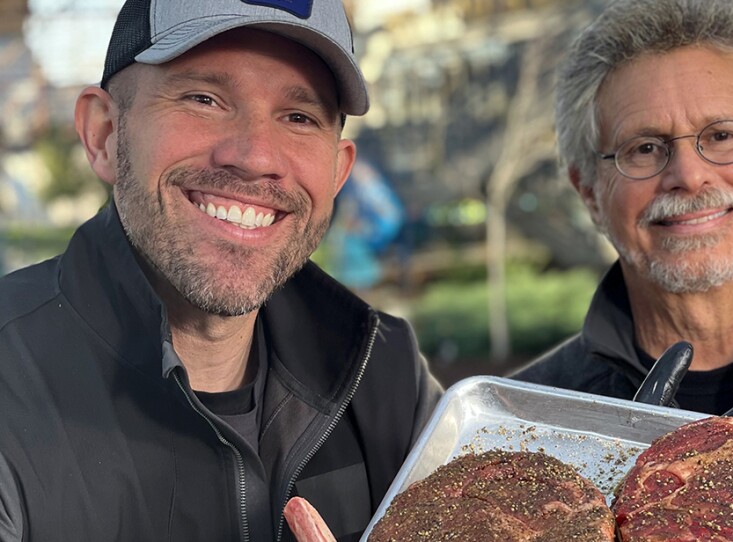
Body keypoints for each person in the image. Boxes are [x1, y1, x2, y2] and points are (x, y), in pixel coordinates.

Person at [0, 1, 442, 541]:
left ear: (337, 172)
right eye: (204, 99)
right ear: (105, 134)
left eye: (298, 117)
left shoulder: (384, 371)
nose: (255, 155)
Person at [512, 0, 733, 445]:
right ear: (589, 192)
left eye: (722, 136)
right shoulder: (521, 430)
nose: (687, 176)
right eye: (645, 148)